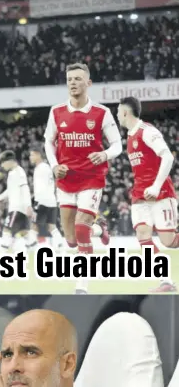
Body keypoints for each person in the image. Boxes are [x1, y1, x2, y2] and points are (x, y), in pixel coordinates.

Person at [44, 62, 120, 293]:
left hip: (91, 178)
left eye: (78, 79)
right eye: (69, 79)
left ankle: (82, 283)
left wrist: (105, 153)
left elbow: (117, 144)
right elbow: (48, 141)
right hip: (66, 180)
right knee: (71, 239)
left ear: (88, 83)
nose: (73, 83)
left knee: (80, 228)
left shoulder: (101, 113)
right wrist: (55, 165)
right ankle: (99, 229)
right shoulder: (57, 111)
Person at [117, 96, 178, 292]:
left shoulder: (147, 131)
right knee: (143, 235)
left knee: (168, 241)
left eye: (118, 112)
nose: (117, 116)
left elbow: (167, 156)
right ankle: (165, 281)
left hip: (159, 193)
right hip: (139, 195)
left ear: (125, 112)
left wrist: (156, 185)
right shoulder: (129, 135)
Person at [0, 151, 35, 254]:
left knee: (6, 230)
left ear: (9, 161)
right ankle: (37, 252)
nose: (2, 165)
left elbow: (25, 188)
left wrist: (28, 206)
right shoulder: (12, 173)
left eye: (3, 163)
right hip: (18, 208)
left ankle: (2, 254)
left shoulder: (19, 172)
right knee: (24, 234)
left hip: (17, 208)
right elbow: (10, 190)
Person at [29, 146, 65, 250]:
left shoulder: (40, 168)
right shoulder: (47, 167)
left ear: (38, 155)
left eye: (32, 155)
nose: (30, 157)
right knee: (51, 226)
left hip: (42, 201)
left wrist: (36, 203)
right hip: (51, 201)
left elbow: (40, 188)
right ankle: (60, 246)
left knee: (34, 225)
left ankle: (31, 245)